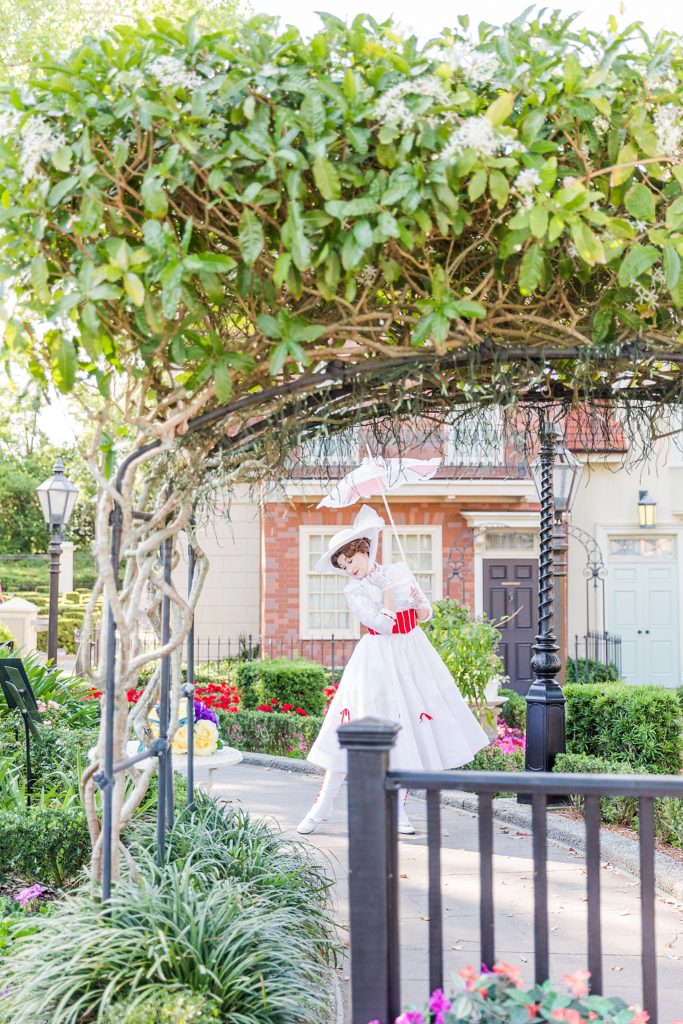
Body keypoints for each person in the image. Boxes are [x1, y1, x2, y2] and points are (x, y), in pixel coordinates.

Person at [297, 505, 489, 836]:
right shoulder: (354, 591)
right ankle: (322, 806)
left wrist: (416, 601)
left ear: (364, 550)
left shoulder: (399, 570)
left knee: (408, 732)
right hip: (377, 660)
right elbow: (383, 625)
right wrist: (387, 592)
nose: (350, 569)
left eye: (351, 560)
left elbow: (425, 614)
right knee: (352, 729)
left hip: (412, 654)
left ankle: (398, 810)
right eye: (343, 566)